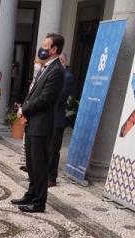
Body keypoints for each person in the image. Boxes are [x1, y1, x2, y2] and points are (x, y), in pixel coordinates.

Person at [12, 33, 65, 213]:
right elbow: (33, 92)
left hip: (42, 125)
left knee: (40, 164)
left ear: (54, 49)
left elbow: (45, 99)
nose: (41, 49)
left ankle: (39, 202)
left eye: (45, 45)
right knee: (31, 164)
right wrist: (24, 107)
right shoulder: (45, 67)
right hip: (33, 123)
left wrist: (24, 110)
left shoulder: (57, 70)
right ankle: (31, 194)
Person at [48, 53, 75, 187]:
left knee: (54, 149)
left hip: (57, 118)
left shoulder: (68, 77)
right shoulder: (57, 75)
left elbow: (58, 98)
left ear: (63, 61)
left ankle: (52, 177)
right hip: (48, 118)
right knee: (47, 148)